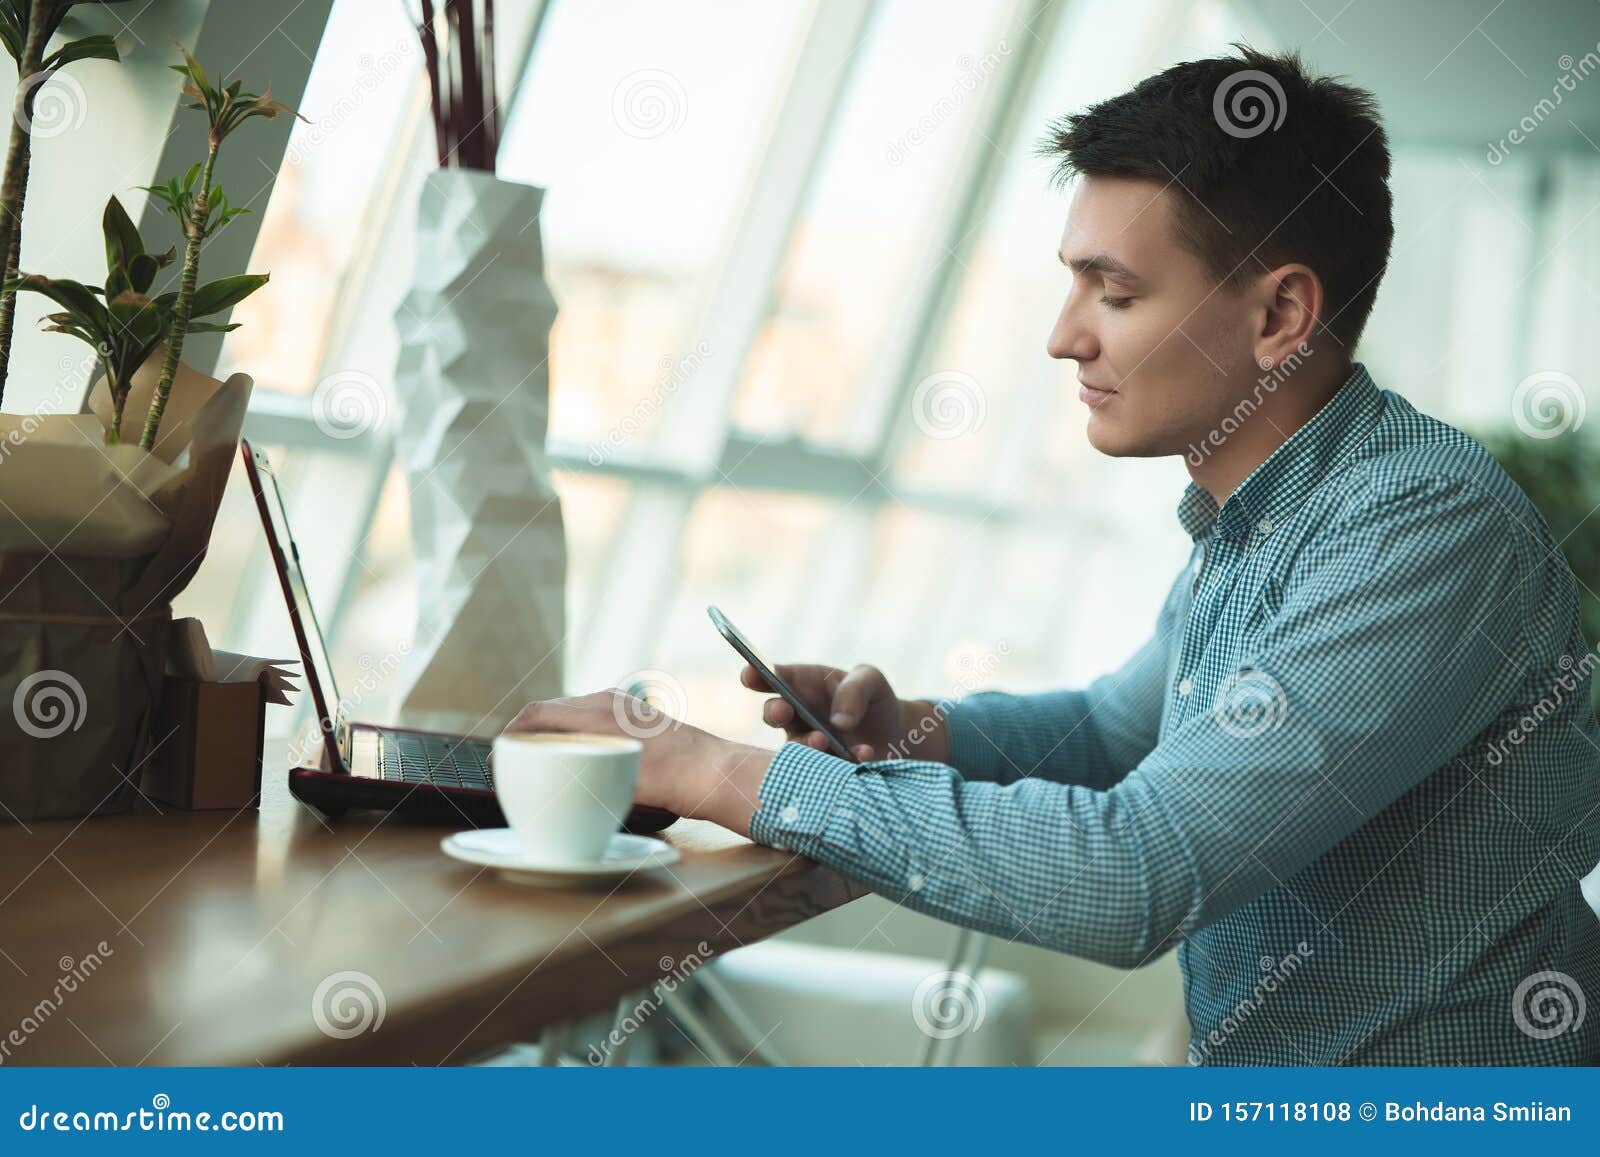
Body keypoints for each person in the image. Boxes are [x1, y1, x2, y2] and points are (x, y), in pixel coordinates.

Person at [506, 46, 1600, 1065]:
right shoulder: (1270, 514)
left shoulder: (1422, 528)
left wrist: (719, 772)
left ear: (1280, 316)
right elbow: (1124, 733)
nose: (1064, 335)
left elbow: (1139, 870)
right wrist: (913, 732)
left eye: (1114, 292)